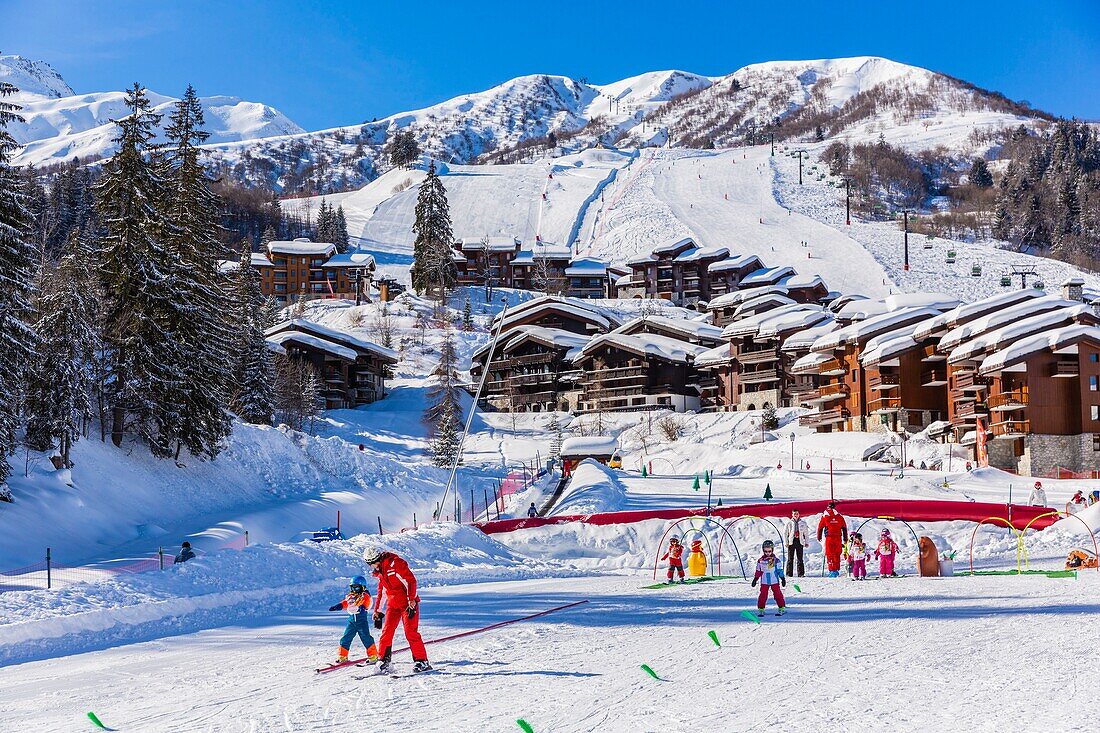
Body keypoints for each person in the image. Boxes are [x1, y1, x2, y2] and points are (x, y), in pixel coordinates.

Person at [364, 545, 431, 674]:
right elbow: (382, 591)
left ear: (377, 558)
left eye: (372, 563)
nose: (372, 566)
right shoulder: (380, 571)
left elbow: (410, 581)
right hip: (393, 604)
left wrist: (411, 599)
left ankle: (422, 661)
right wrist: (378, 611)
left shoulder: (396, 564)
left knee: (410, 632)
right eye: (370, 564)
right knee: (386, 632)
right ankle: (384, 661)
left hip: (407, 603)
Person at [328, 575, 378, 664]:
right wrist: (338, 606)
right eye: (353, 588)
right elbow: (345, 603)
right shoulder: (351, 596)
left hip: (361, 620)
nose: (354, 590)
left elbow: (367, 603)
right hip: (351, 621)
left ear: (362, 587)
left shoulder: (365, 596)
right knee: (345, 638)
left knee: (366, 638)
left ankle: (373, 656)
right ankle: (342, 656)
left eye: (357, 588)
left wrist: (361, 608)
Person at [750, 540, 786, 617]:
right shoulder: (761, 561)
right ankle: (761, 609)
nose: (768, 553)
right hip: (764, 581)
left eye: (769, 551)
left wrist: (782, 578)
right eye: (766, 551)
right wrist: (755, 579)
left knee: (777, 594)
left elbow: (779, 570)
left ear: (772, 550)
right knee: (763, 595)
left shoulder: (775, 560)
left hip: (774, 581)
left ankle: (781, 608)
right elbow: (758, 571)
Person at [817, 502, 849, 577]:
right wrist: (845, 538)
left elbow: (820, 527)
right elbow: (844, 528)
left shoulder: (826, 516)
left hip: (831, 538)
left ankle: (832, 570)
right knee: (836, 554)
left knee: (831, 554)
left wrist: (819, 536)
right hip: (835, 537)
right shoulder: (839, 516)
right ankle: (835, 570)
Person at [784, 509, 810, 577]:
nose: (796, 515)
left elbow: (806, 533)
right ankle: (789, 574)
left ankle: (801, 573)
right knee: (790, 558)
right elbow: (785, 533)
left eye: (797, 513)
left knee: (800, 558)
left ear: (799, 514)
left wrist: (806, 542)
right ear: (792, 515)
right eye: (794, 514)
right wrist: (786, 542)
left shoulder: (803, 523)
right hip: (791, 542)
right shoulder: (789, 523)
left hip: (799, 541)